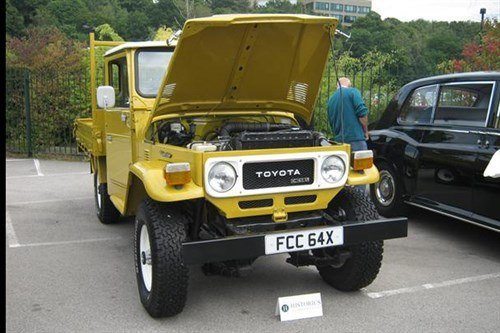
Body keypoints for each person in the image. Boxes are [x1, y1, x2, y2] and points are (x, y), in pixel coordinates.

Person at [327, 77, 369, 151]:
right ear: (349, 85)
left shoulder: (330, 100)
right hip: (356, 140)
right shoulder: (352, 92)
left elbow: (331, 122)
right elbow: (362, 114)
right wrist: (365, 132)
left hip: (339, 142)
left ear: (337, 86)